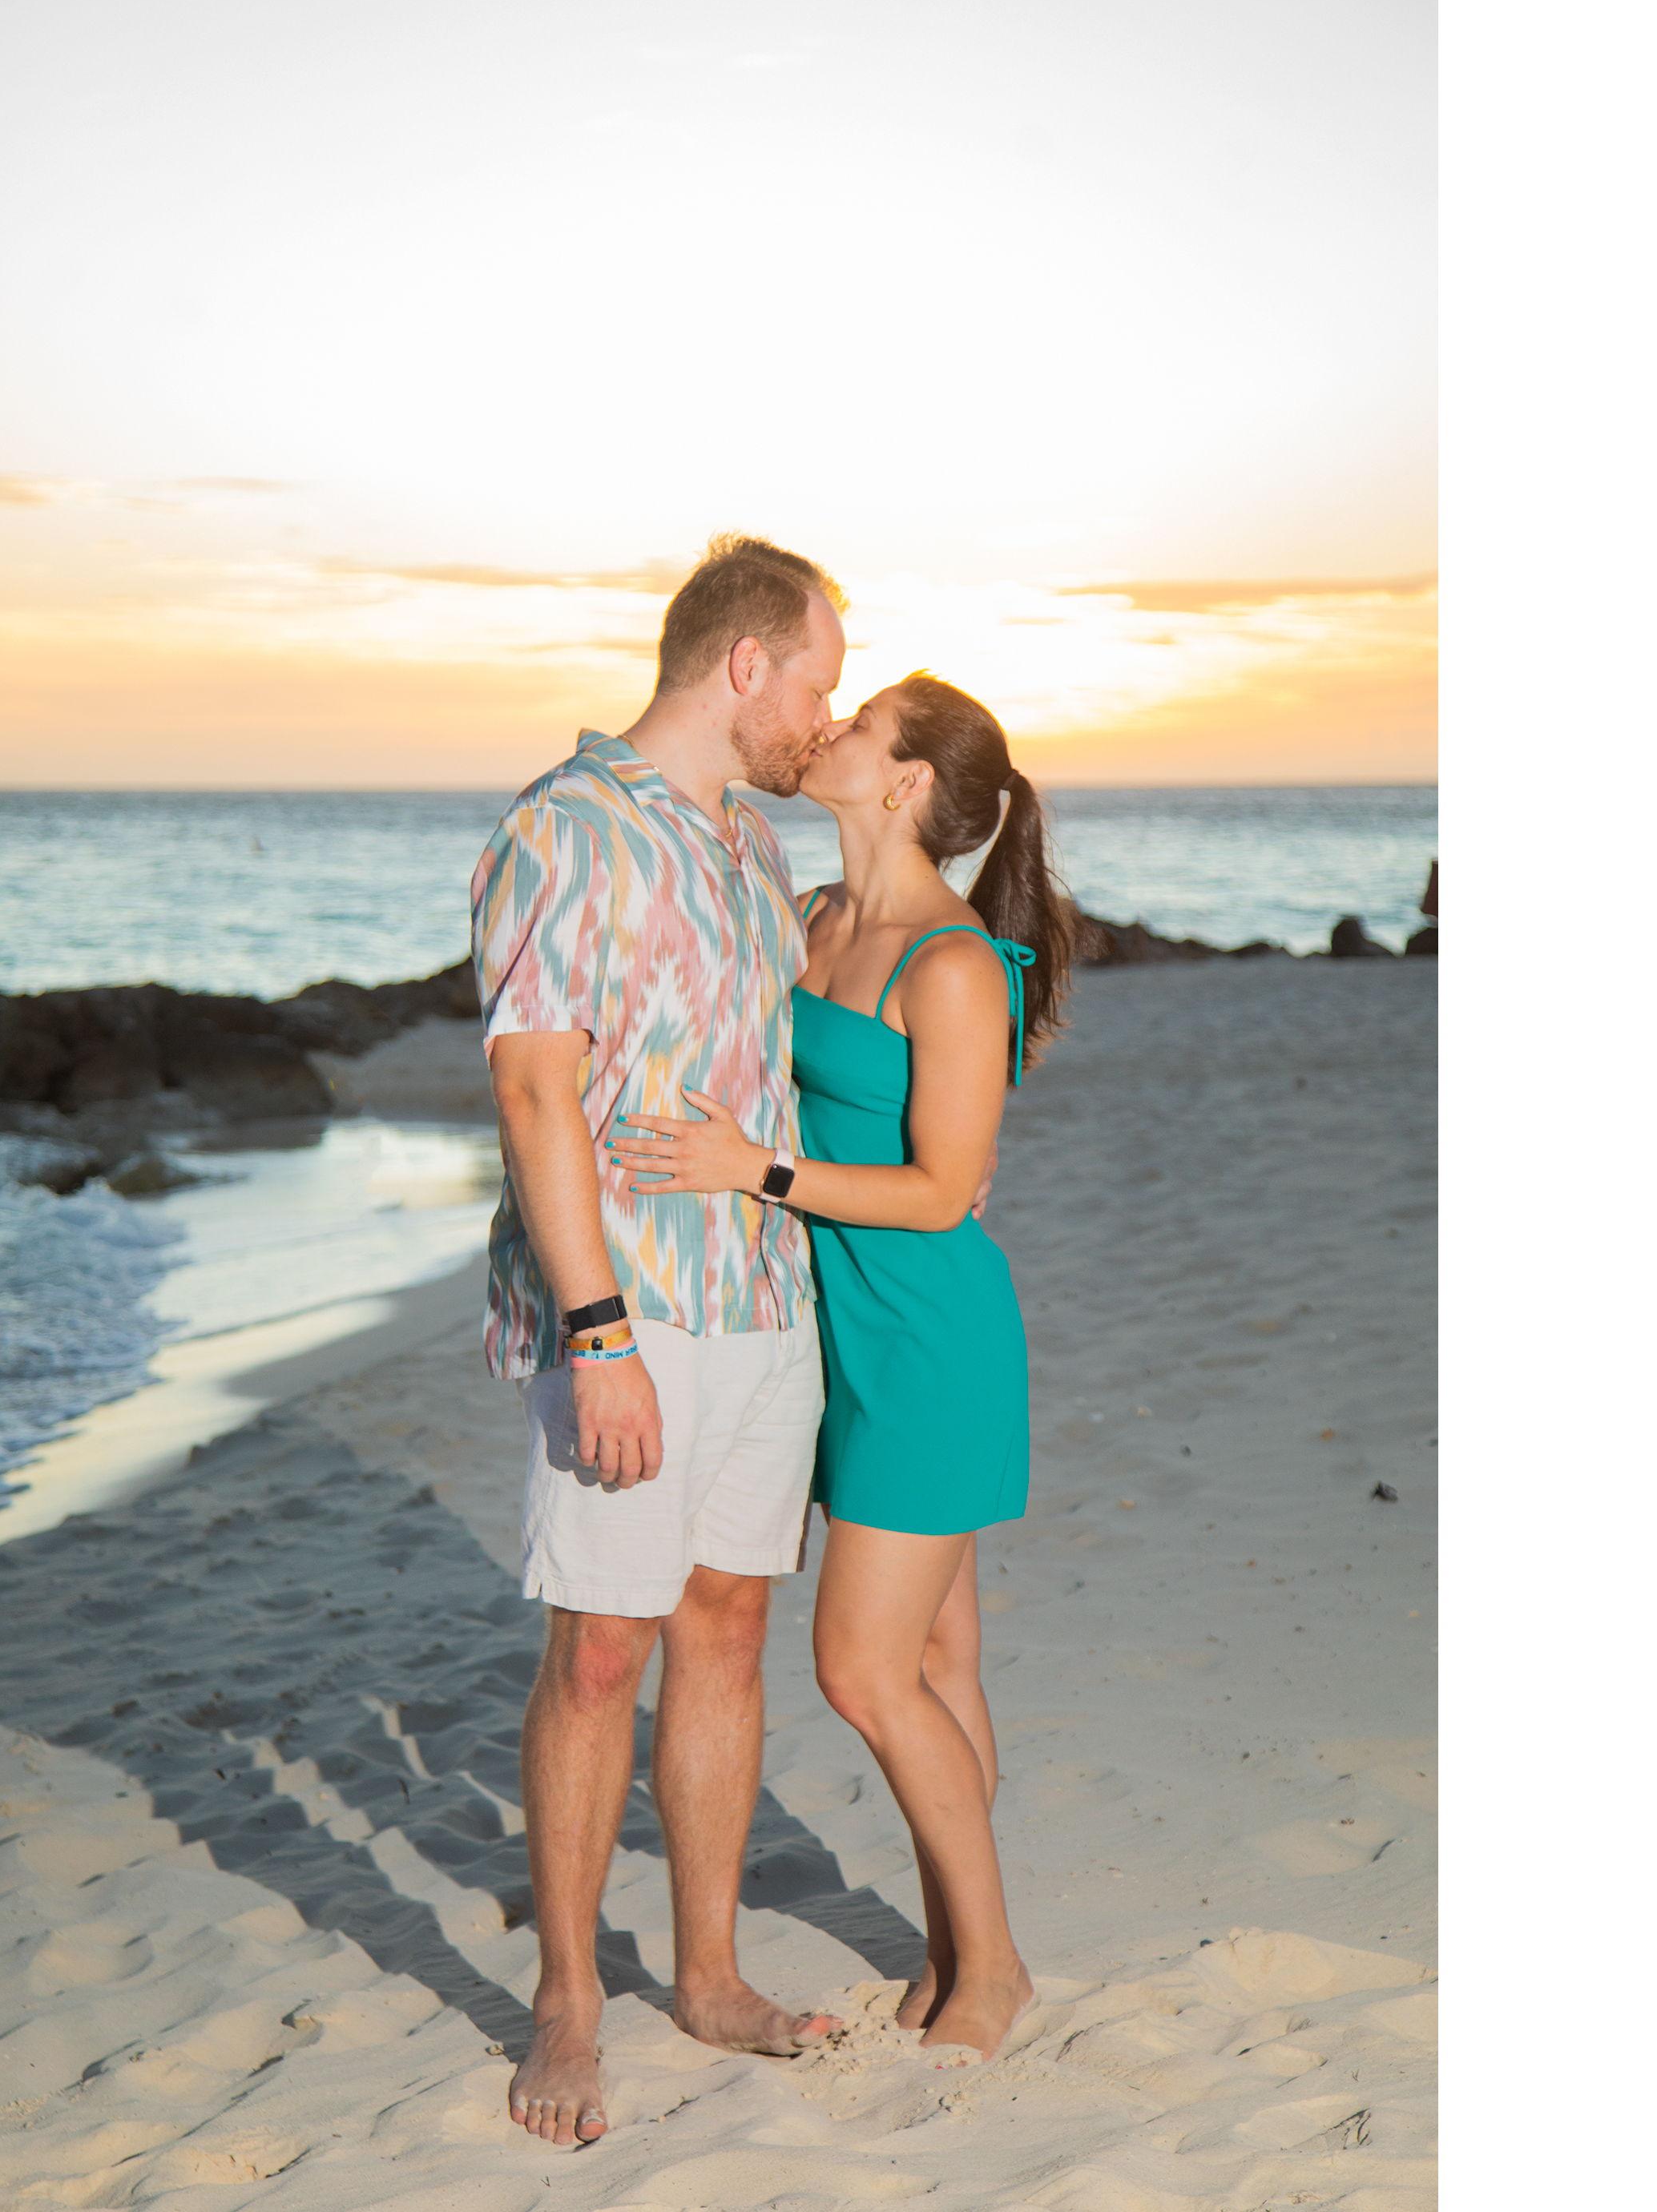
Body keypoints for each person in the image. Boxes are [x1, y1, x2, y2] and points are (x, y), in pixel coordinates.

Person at [610, 671, 1077, 2060]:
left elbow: (945, 1188)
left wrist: (754, 1171)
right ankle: (953, 1948)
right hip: (828, 1321)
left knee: (864, 1671)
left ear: (907, 781)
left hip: (928, 1336)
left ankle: (991, 1968)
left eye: (862, 722)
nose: (835, 729)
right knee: (941, 1652)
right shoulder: (815, 920)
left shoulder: (949, 962)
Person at [470, 535, 848, 2149]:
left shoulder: (751, 847)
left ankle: (706, 1971)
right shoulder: (566, 830)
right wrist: (598, 1329)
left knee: (727, 1631)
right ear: (743, 665)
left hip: (767, 1299)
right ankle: (567, 1996)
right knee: (601, 1646)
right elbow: (537, 1088)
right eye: (819, 682)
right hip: (628, 1304)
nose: (824, 720)